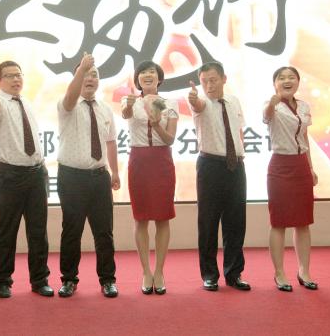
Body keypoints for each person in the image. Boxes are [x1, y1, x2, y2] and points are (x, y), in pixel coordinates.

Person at [0, 60, 52, 298]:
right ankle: (2, 280)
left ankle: (40, 280)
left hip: (37, 173)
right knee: (8, 229)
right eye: (10, 76)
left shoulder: (26, 102)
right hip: (11, 174)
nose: (16, 79)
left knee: (38, 230)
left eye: (18, 75)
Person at [57, 53, 121, 298]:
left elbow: (111, 142)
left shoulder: (105, 109)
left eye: (94, 75)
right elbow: (71, 96)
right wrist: (81, 69)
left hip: (100, 177)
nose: (90, 78)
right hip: (72, 177)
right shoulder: (67, 104)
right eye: (85, 75)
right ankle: (69, 279)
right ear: (76, 78)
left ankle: (108, 280)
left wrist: (115, 172)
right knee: (72, 230)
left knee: (104, 232)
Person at [188, 61, 250, 292]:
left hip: (236, 166)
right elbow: (198, 105)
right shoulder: (201, 102)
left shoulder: (234, 101)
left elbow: (239, 130)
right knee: (208, 222)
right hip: (210, 166)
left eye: (213, 80)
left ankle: (234, 274)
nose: (209, 85)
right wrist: (194, 99)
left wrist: (240, 153)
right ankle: (209, 275)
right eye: (204, 82)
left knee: (236, 222)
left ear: (224, 79)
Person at [121, 60, 178, 295]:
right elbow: (125, 114)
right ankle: (146, 271)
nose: (147, 75)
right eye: (142, 72)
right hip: (139, 161)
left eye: (152, 72)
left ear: (159, 78)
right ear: (137, 79)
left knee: (163, 218)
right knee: (141, 218)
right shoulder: (130, 101)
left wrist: (157, 125)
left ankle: (160, 271)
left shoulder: (169, 103)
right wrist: (129, 105)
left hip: (162, 161)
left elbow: (170, 139)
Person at [263, 67, 318, 292]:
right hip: (280, 166)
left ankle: (304, 271)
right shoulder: (271, 104)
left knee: (303, 222)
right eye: (281, 78)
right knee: (279, 222)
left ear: (297, 81)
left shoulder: (304, 106)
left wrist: (311, 167)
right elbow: (266, 116)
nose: (287, 81)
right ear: (275, 84)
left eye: (291, 77)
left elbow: (304, 137)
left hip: (301, 165)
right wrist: (272, 103)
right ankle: (279, 273)